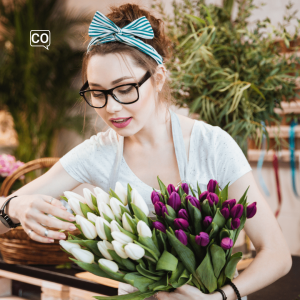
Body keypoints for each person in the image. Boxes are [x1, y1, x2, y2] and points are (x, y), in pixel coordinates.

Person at [0, 3, 292, 300]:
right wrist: (13, 208)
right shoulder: (97, 153)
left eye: (124, 88)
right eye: (97, 93)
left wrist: (217, 297)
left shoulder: (211, 145)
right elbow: (8, 210)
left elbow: (277, 254)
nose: (111, 107)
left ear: (159, 78)